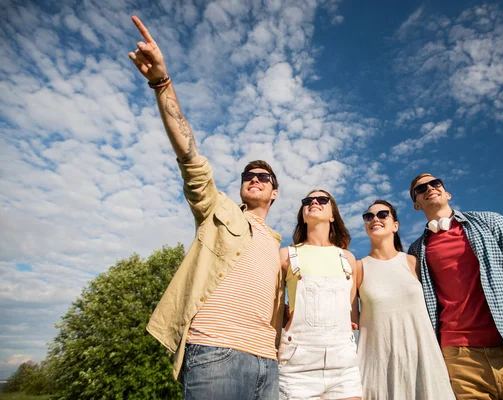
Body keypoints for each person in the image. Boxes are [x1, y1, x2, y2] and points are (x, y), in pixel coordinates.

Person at [128, 16, 284, 400]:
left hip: (269, 362)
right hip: (215, 352)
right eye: (249, 174)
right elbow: (190, 155)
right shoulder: (219, 209)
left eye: (264, 177)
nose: (255, 178)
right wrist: (161, 83)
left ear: (275, 192)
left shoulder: (284, 248)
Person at [407, 173, 503, 399]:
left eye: (435, 183)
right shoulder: (417, 250)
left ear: (447, 192)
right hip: (458, 359)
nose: (430, 188)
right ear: (416, 203)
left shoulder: (490, 222)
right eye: (421, 189)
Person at [355, 200, 455, 399]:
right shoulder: (358, 267)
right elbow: (350, 321)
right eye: (369, 216)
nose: (375, 219)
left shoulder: (414, 263)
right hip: (378, 370)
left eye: (382, 214)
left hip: (424, 363)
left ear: (395, 226)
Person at [278, 190, 362, 400]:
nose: (314, 201)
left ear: (333, 215)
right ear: (303, 215)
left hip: (343, 364)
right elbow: (274, 306)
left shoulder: (348, 259)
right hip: (298, 364)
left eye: (322, 200)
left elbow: (350, 311)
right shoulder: (286, 255)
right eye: (307, 201)